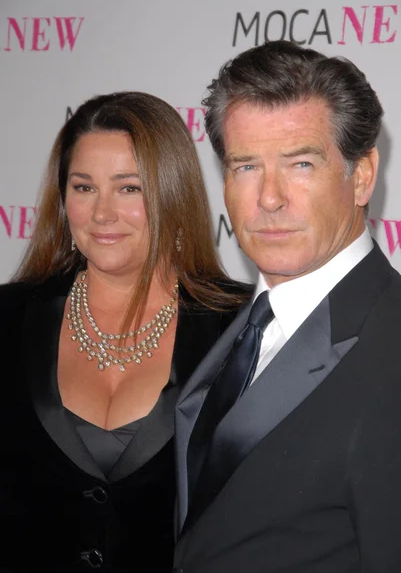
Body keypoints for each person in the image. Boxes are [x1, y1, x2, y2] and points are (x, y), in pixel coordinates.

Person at [173, 40, 401, 572]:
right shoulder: (233, 327)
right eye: (246, 166)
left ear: (362, 176)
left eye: (300, 163)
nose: (269, 198)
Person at [0, 91, 251, 572]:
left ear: (171, 192)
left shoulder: (241, 327)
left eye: (129, 188)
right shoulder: (10, 318)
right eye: (84, 187)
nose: (102, 213)